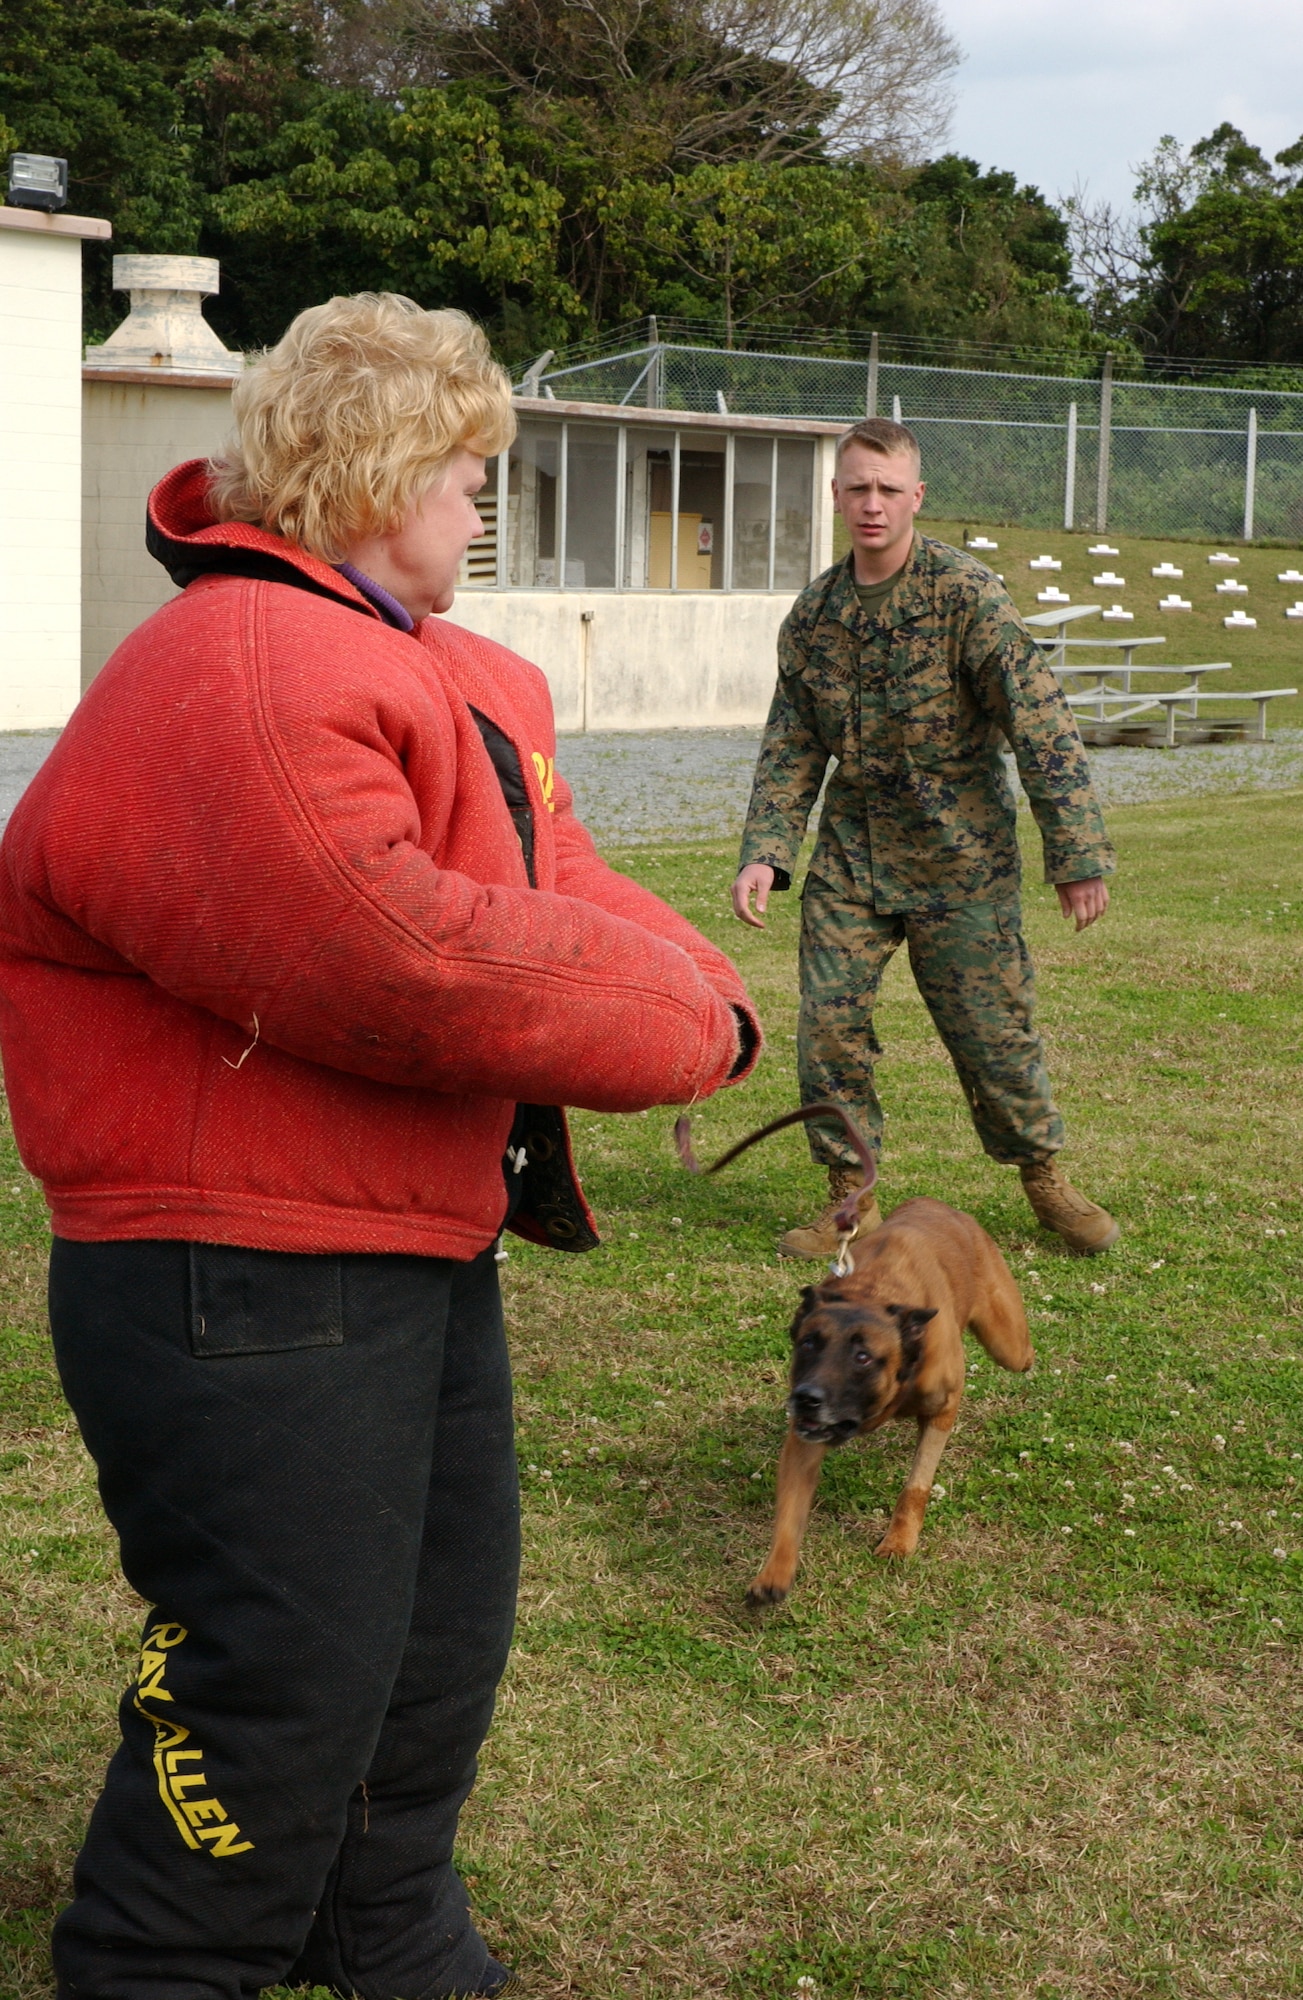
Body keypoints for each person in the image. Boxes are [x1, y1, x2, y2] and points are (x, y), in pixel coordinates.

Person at [0, 293, 760, 2000]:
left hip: (393, 1256)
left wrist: (708, 997)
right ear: (372, 464)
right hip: (238, 1282)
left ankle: (391, 1931)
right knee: (272, 1693)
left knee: (418, 1669)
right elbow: (401, 955)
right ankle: (156, 1962)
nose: (487, 503)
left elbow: (547, 883)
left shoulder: (425, 669)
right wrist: (681, 1026)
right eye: (466, 467)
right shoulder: (246, 667)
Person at [731, 415, 1117, 1259]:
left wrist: (1075, 855)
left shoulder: (965, 597)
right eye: (857, 488)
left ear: (916, 497)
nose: (872, 505)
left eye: (887, 489)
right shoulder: (814, 618)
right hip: (851, 864)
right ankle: (849, 1198)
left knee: (992, 1034)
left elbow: (1039, 724)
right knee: (829, 1031)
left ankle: (1043, 1176)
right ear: (836, 495)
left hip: (959, 863)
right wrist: (766, 850)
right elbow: (791, 743)